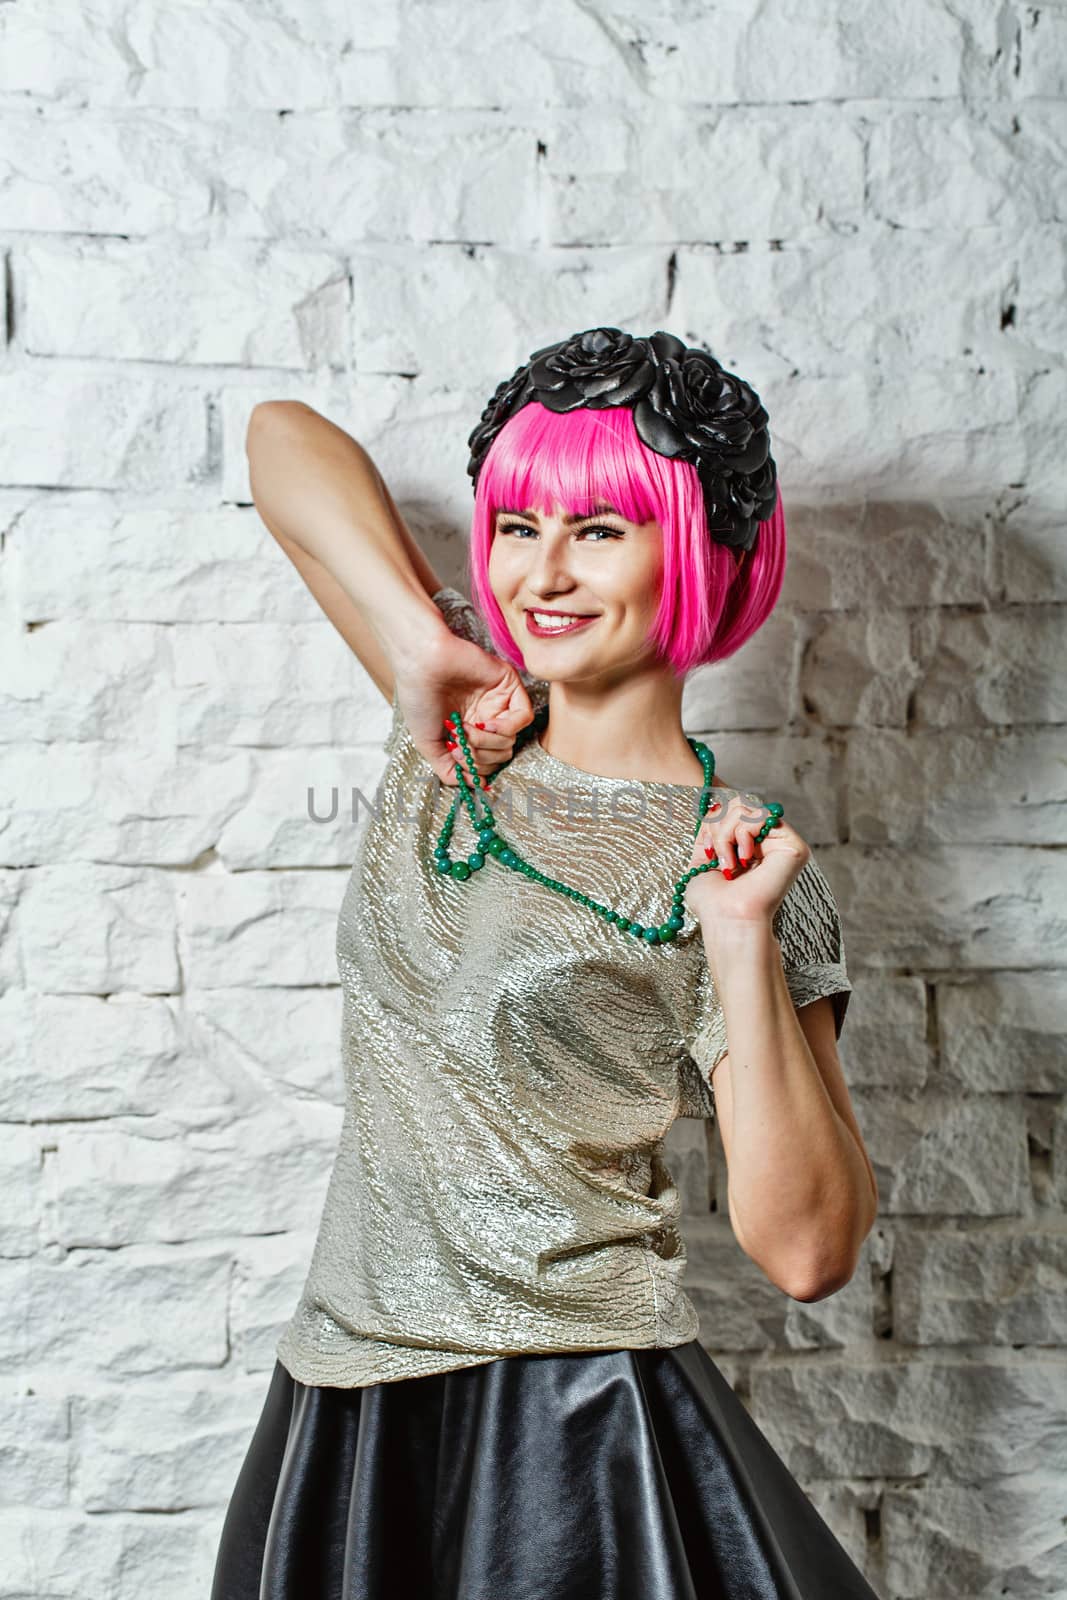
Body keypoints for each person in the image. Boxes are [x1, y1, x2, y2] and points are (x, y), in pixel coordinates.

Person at [210, 327, 882, 1599]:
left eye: (599, 530)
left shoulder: (735, 866)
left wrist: (736, 943)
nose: (543, 573)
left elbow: (807, 1251)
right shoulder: (459, 735)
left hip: (567, 1426)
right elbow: (277, 442)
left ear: (697, 552)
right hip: (338, 1402)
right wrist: (416, 640)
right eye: (517, 523)